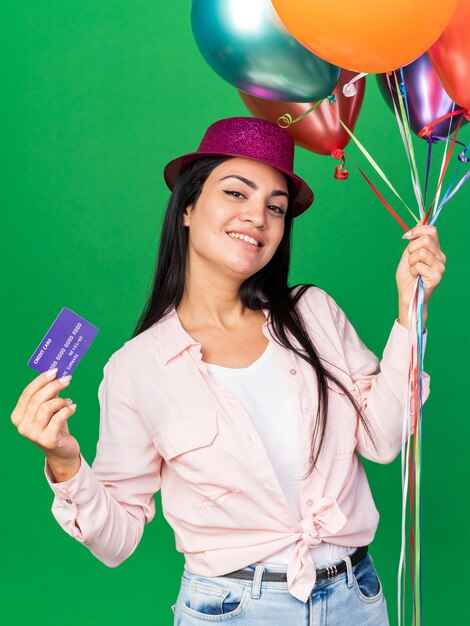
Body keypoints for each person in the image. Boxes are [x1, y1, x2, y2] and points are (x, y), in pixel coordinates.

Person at [11, 117, 445, 625]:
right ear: (188, 209)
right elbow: (117, 539)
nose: (257, 216)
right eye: (236, 193)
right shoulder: (136, 369)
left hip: (355, 599)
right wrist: (63, 459)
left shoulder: (314, 313)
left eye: (275, 207)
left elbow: (385, 439)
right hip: (234, 611)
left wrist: (409, 312)